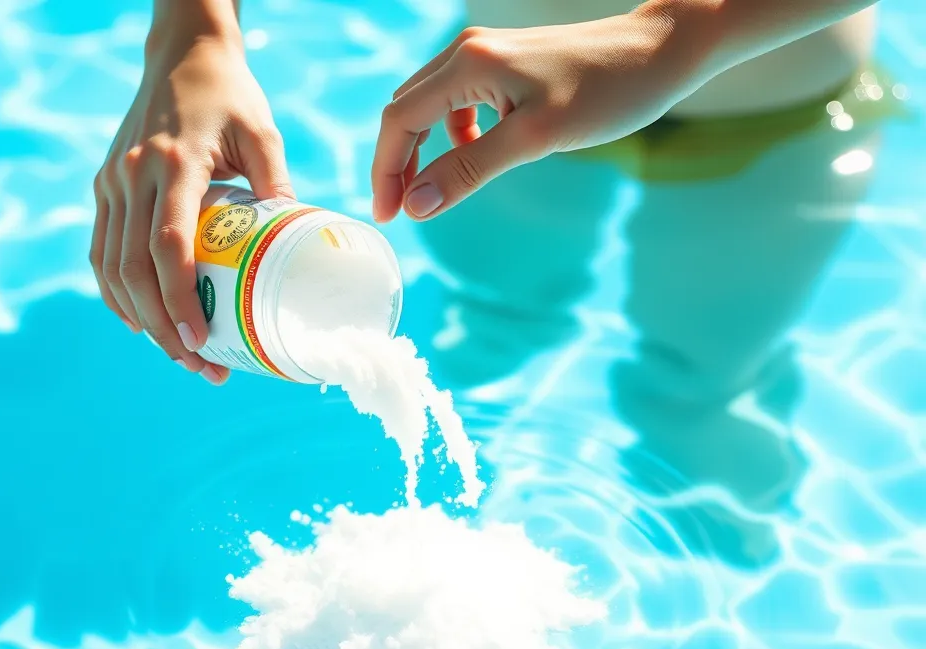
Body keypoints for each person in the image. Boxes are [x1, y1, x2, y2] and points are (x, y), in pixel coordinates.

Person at [89, 0, 880, 385]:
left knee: (705, 361)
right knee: (502, 298)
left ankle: (704, 403)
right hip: (493, 94)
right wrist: (192, 34)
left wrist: (682, 31)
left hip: (770, 117)